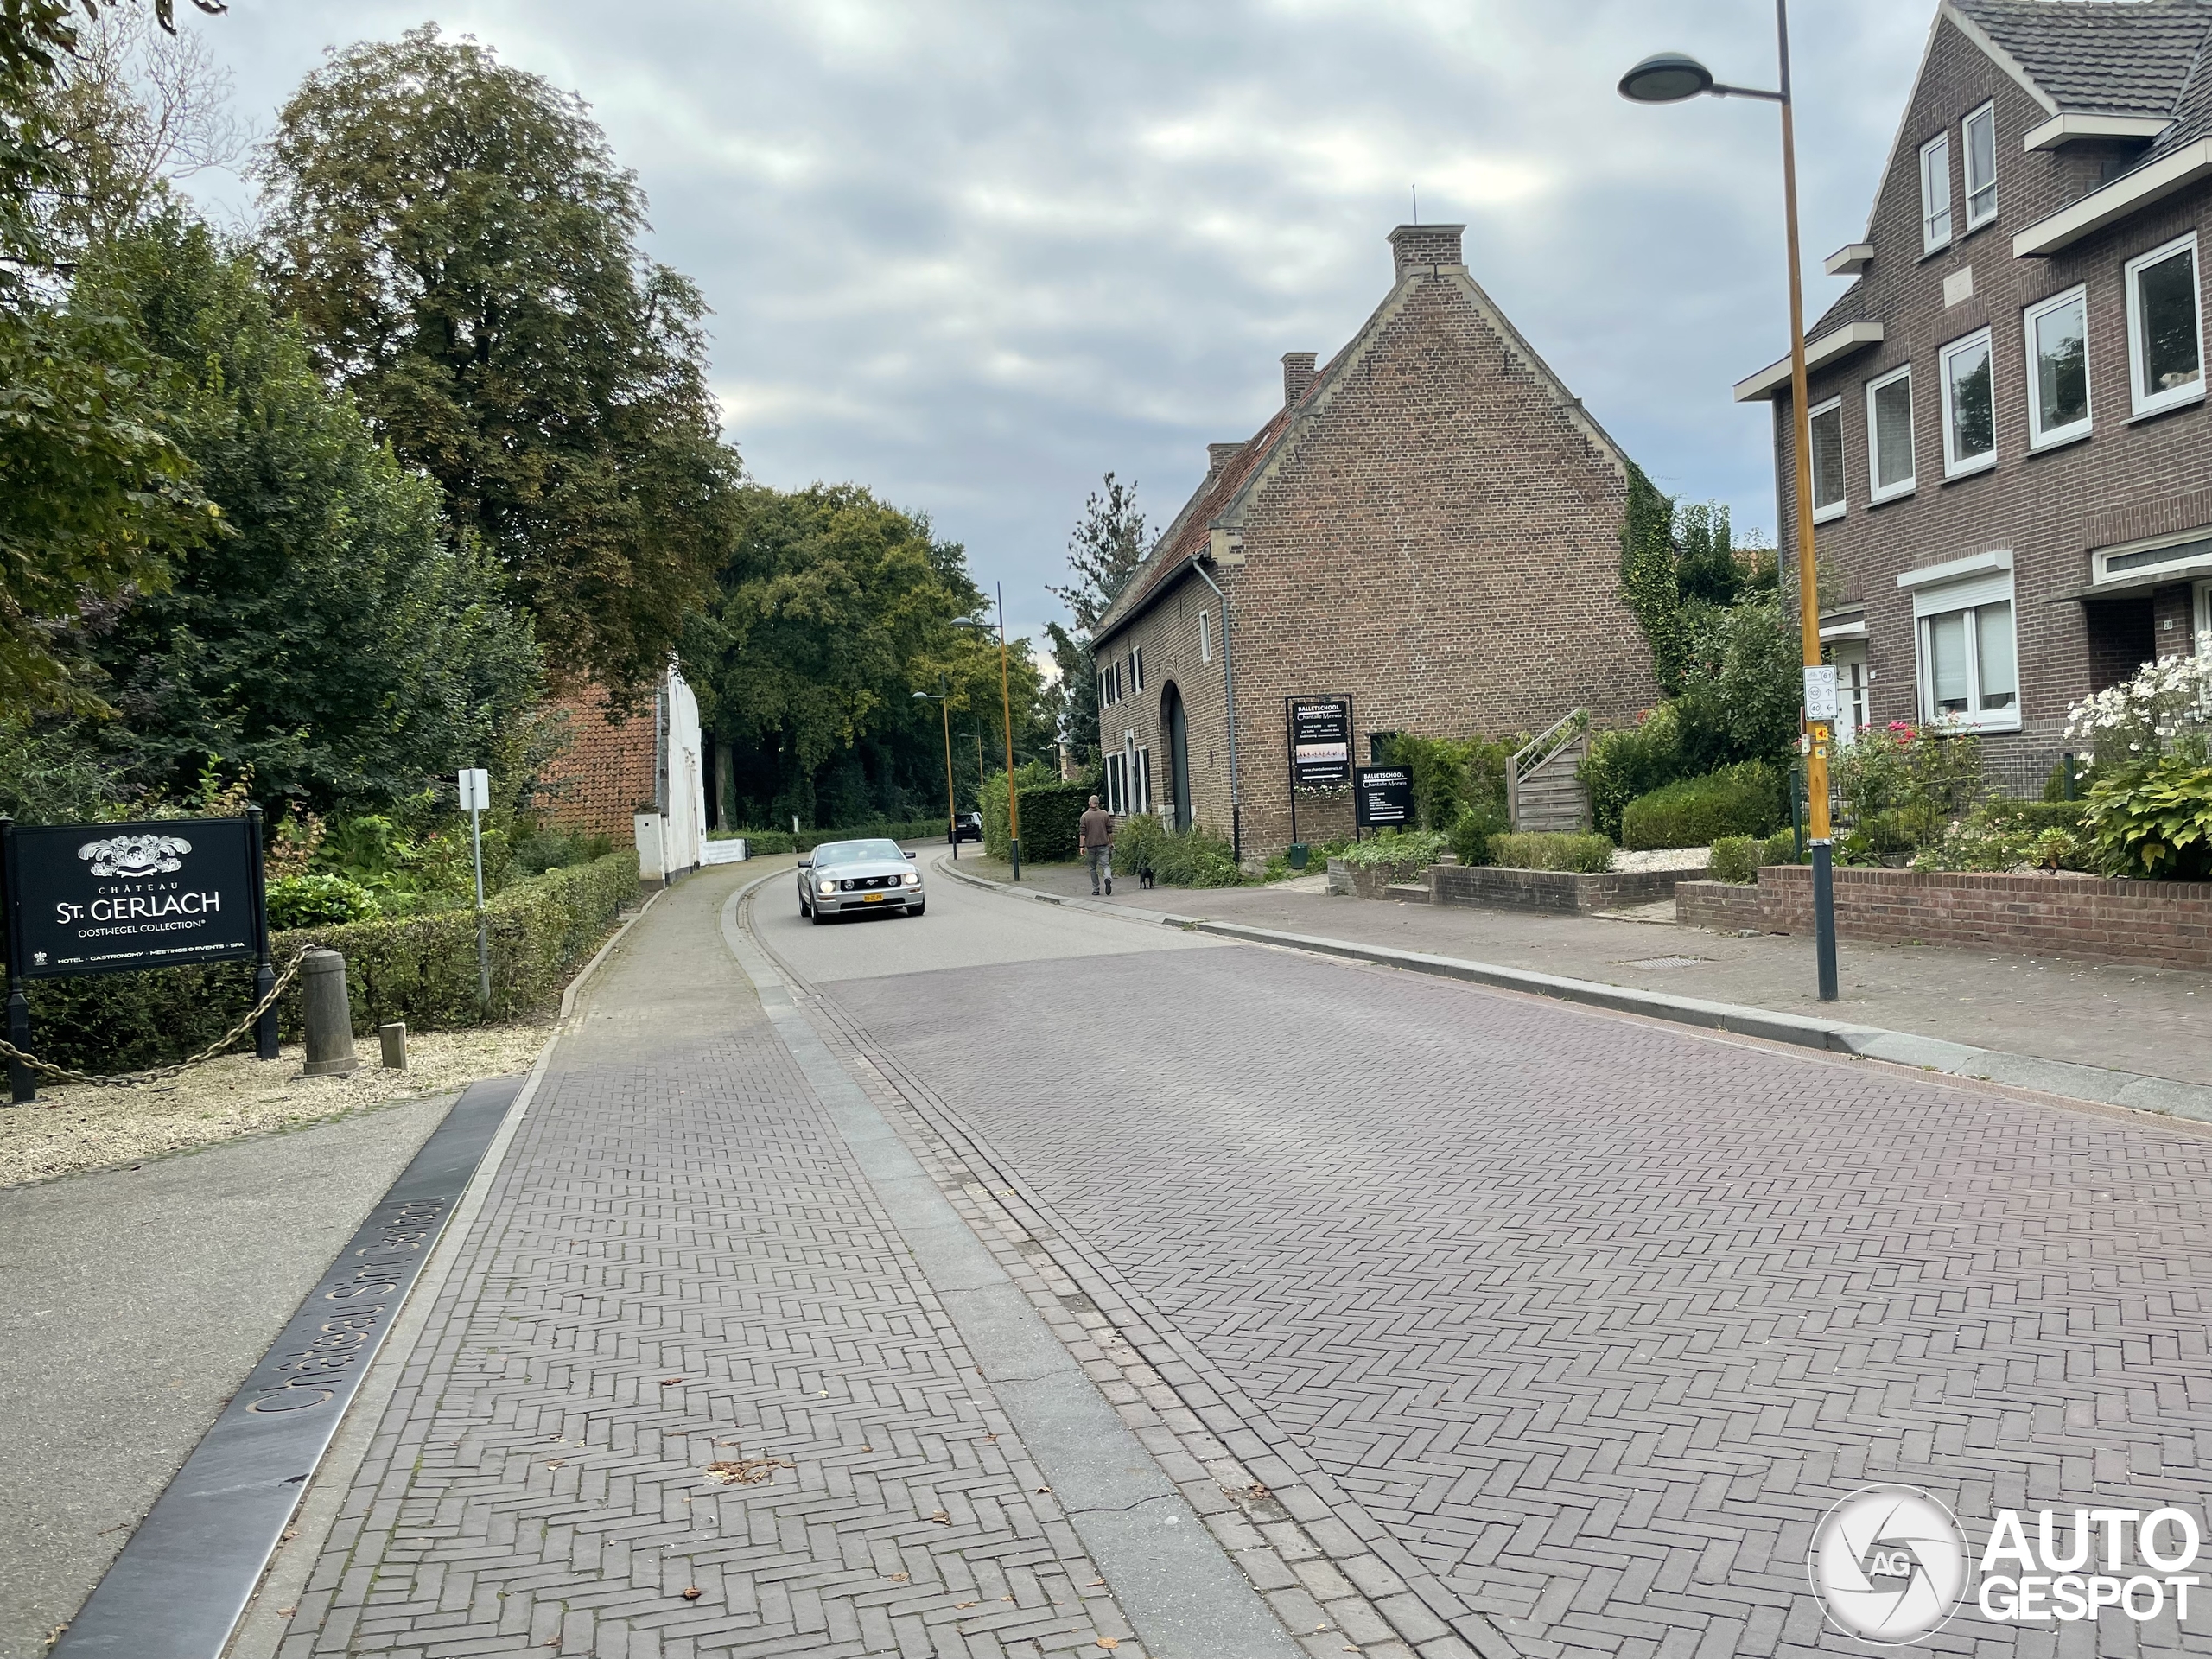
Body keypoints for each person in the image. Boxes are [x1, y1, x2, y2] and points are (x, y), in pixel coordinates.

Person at [1079, 793, 1115, 895]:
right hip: (1103, 844)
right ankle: (1108, 878)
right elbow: (1110, 830)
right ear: (1098, 804)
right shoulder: (1104, 814)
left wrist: (1081, 846)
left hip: (1091, 846)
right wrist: (1111, 842)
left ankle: (1096, 889)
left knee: (1092, 868)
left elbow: (1082, 833)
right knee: (1106, 865)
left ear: (1090, 803)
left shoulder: (1085, 816)